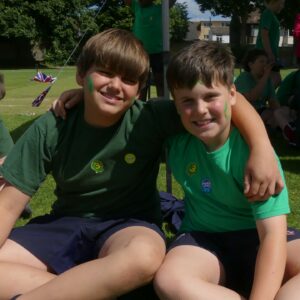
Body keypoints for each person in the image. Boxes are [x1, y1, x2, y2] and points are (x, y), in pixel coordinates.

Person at [0, 28, 283, 300]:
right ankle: (84, 289)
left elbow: (225, 98)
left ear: (139, 89)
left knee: (144, 257)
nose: (115, 85)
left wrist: (261, 146)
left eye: (128, 79)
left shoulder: (150, 117)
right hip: (63, 225)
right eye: (105, 73)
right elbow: (8, 205)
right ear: (81, 75)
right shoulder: (52, 126)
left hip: (128, 226)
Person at [153, 40, 300, 300]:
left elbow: (272, 235)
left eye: (211, 97)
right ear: (175, 104)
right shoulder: (175, 137)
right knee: (170, 281)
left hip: (259, 235)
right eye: (187, 101)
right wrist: (78, 97)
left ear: (232, 95)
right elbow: (120, 111)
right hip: (204, 239)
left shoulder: (255, 154)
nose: (200, 110)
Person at [235, 48, 296, 144]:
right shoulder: (245, 77)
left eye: (266, 62)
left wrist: (282, 112)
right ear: (251, 65)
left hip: (262, 113)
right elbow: (252, 97)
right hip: (246, 113)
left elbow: (274, 103)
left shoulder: (267, 80)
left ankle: (288, 132)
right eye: (261, 61)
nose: (265, 65)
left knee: (284, 111)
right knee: (272, 114)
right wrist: (266, 75)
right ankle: (286, 132)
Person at [124, 0, 173, 100]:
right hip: (140, 52)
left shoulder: (160, 8)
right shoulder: (136, 7)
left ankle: (162, 104)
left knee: (160, 81)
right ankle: (140, 106)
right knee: (141, 82)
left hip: (158, 52)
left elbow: (171, 2)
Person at [256, 0, 285, 89]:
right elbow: (264, 34)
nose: (282, 6)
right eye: (281, 3)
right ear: (273, 2)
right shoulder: (267, 14)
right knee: (275, 79)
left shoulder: (271, 15)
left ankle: (263, 99)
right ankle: (260, 99)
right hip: (265, 54)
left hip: (269, 53)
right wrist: (270, 54)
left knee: (275, 79)